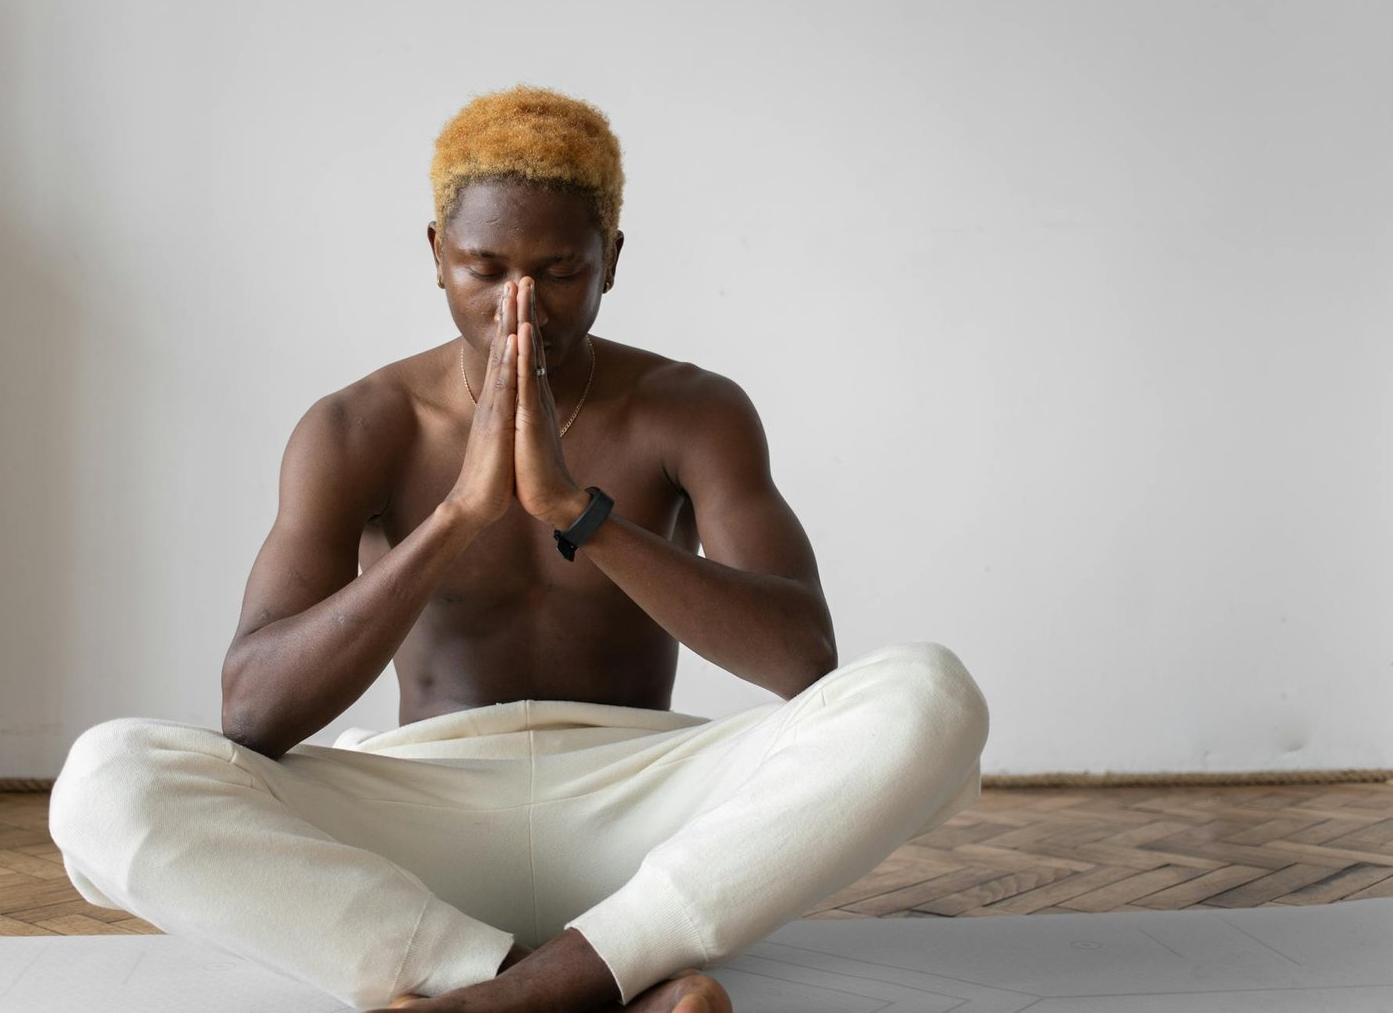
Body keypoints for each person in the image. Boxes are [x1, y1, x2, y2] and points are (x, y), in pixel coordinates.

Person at [48, 86, 989, 1013]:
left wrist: (576, 510)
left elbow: (803, 663)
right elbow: (253, 712)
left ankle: (498, 995)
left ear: (612, 259)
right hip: (420, 812)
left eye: (559, 270)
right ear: (435, 256)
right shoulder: (358, 425)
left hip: (647, 805)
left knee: (928, 694)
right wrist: (461, 512)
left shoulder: (692, 410)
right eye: (485, 268)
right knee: (106, 782)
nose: (519, 305)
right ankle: (582, 984)